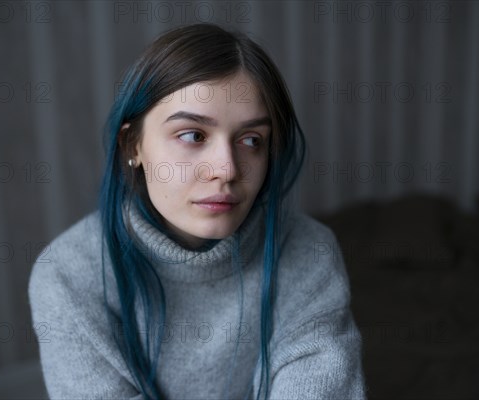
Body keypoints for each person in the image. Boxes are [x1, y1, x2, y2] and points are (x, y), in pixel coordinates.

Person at [29, 23, 366, 400]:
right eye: (192, 135)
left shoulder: (309, 252)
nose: (227, 169)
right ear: (132, 145)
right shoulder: (67, 274)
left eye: (251, 140)